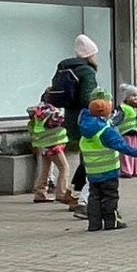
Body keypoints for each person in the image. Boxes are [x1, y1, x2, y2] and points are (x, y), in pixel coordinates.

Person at [49, 35, 102, 213]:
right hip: (85, 120)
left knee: (85, 158)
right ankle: (77, 196)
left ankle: (74, 193)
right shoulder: (87, 72)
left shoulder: (64, 68)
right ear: (90, 54)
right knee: (90, 159)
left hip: (71, 119)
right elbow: (87, 98)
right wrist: (101, 106)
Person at [76, 96, 137, 232]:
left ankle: (94, 224)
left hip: (92, 171)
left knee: (94, 197)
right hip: (109, 170)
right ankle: (111, 222)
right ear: (105, 113)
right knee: (110, 197)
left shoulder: (85, 128)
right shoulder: (105, 131)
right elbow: (121, 146)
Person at [28, 102, 70, 205]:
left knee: (45, 169)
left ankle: (40, 193)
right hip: (54, 144)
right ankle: (61, 193)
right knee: (64, 168)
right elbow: (60, 123)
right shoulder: (53, 112)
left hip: (43, 145)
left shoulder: (39, 112)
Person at [114, 84, 137, 177]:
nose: (136, 98)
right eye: (133, 96)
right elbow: (117, 118)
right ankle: (127, 170)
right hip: (126, 133)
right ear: (127, 97)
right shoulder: (122, 107)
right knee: (126, 152)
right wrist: (110, 124)